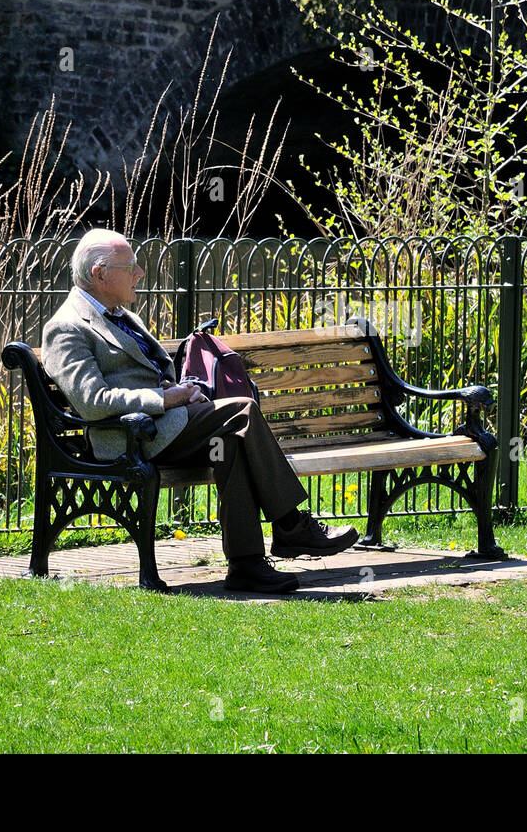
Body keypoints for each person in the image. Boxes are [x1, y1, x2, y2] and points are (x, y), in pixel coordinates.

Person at [41, 228, 358, 594]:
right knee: (243, 411)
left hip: (169, 427)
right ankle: (289, 524)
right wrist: (166, 399)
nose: (140, 274)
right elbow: (93, 402)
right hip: (130, 437)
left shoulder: (121, 315)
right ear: (99, 274)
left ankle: (247, 565)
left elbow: (150, 372)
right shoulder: (66, 328)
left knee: (231, 440)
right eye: (131, 267)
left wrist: (179, 391)